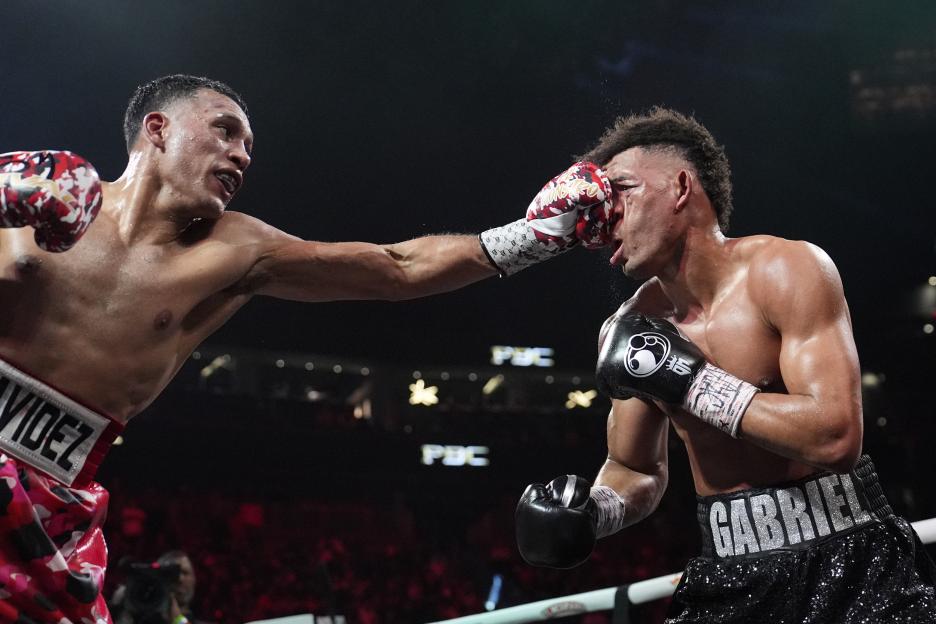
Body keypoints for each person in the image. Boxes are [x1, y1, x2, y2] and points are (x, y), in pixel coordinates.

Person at [0, 74, 615, 623]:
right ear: (157, 129)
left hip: (56, 507)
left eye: (248, 148)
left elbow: (394, 268)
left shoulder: (237, 250)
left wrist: (532, 237)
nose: (240, 155)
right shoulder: (40, 195)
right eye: (224, 132)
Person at [515, 107, 936, 622]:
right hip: (731, 570)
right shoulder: (630, 329)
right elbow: (634, 469)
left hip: (851, 557)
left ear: (681, 187)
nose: (606, 217)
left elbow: (837, 439)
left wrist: (692, 383)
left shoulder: (786, 270)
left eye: (621, 190)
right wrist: (593, 512)